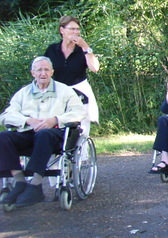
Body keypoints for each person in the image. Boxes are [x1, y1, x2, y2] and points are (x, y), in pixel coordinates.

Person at [0, 56, 85, 208]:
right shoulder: (23, 93)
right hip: (27, 134)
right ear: (33, 73)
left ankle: (35, 185)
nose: (43, 73)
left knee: (44, 134)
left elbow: (79, 112)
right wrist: (27, 121)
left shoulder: (64, 90)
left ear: (52, 72)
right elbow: (6, 115)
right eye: (39, 70)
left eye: (46, 69)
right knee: (3, 137)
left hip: (55, 136)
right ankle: (19, 182)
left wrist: (55, 119)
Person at [44, 15, 99, 134]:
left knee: (81, 128)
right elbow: (44, 70)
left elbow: (95, 68)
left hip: (79, 91)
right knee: (57, 124)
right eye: (72, 29)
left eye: (77, 29)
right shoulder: (52, 49)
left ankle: (82, 152)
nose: (75, 32)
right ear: (62, 30)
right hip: (58, 91)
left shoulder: (81, 50)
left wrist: (85, 46)